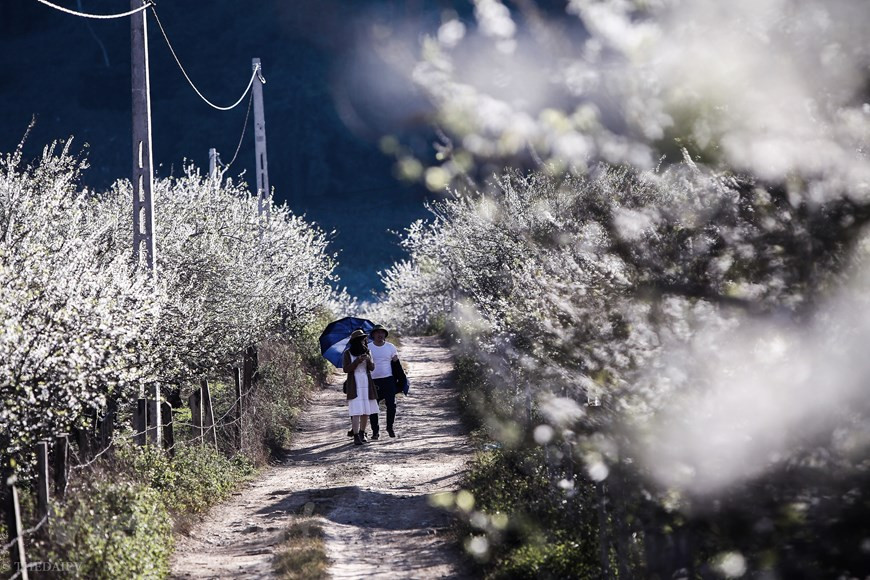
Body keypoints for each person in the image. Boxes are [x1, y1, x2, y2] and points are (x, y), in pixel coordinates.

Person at [342, 329, 378, 446]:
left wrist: (368, 360)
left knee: (366, 411)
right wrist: (357, 361)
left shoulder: (368, 351)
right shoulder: (348, 353)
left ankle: (362, 433)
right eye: (360, 339)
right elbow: (346, 369)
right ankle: (356, 435)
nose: (363, 341)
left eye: (363, 339)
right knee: (356, 410)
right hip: (354, 383)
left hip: (366, 382)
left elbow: (372, 368)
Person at [367, 324, 404, 439]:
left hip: (388, 380)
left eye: (382, 332)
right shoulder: (368, 348)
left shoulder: (390, 347)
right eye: (377, 332)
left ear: (385, 334)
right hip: (373, 381)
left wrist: (401, 380)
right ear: (373, 335)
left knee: (391, 405)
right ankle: (375, 431)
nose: (380, 334)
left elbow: (396, 364)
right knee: (373, 407)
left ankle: (390, 427)